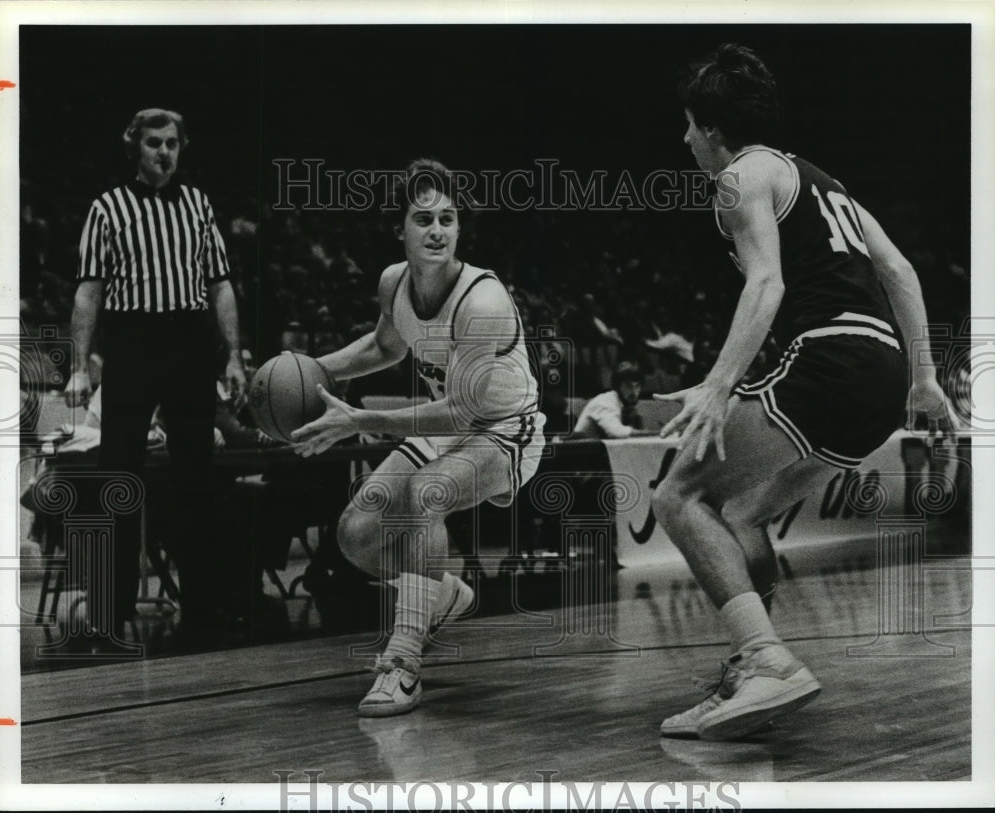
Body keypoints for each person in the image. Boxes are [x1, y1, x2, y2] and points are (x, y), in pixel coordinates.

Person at [650, 44, 957, 740]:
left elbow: (768, 285)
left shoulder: (737, 177)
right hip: (880, 374)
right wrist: (925, 380)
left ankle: (766, 660)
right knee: (744, 511)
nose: (686, 139)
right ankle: (748, 662)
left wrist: (719, 385)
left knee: (678, 495)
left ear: (712, 127)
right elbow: (900, 271)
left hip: (831, 356)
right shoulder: (824, 181)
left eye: (690, 125)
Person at [293, 158, 546, 716]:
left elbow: (459, 411)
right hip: (447, 430)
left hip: (503, 431)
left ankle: (403, 664)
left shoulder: (483, 300)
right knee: (356, 534)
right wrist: (308, 372)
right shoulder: (394, 282)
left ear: (460, 228)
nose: (436, 230)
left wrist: (359, 422)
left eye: (448, 219)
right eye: (423, 218)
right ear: (400, 227)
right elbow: (385, 347)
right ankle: (440, 593)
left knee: (424, 493)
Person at [63, 108, 246, 650]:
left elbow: (220, 285)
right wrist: (78, 364)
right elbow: (88, 292)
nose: (163, 152)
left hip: (189, 345)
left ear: (181, 147)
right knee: (117, 480)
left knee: (197, 482)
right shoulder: (107, 207)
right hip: (133, 346)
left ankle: (204, 615)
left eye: (171, 143)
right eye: (153, 144)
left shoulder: (198, 204)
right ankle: (105, 621)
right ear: (134, 148)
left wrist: (234, 356)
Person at [572, 360, 647, 439]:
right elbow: (617, 432)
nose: (634, 391)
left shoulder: (626, 407)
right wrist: (653, 433)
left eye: (637, 386)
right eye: (628, 386)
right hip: (579, 450)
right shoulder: (604, 401)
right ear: (618, 386)